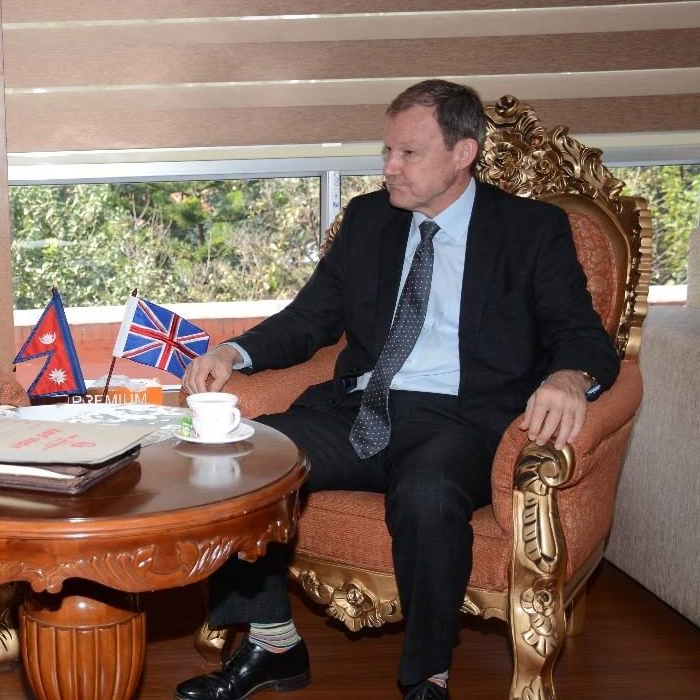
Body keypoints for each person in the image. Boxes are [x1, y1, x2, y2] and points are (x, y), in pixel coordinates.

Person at [176, 79, 618, 700]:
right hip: (358, 408)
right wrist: (233, 351)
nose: (390, 167)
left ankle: (426, 677)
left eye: (409, 153)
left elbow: (583, 335)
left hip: (459, 421)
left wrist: (570, 376)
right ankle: (274, 642)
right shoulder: (369, 219)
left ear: (463, 153)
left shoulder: (530, 230)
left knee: (428, 495)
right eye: (387, 151)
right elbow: (311, 319)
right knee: (237, 458)